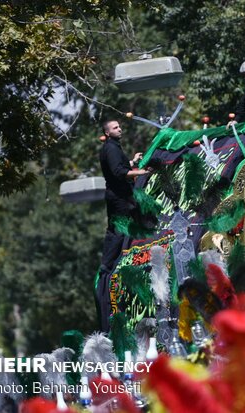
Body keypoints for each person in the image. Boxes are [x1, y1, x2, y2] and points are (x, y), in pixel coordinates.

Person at [97, 119, 150, 332]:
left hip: (120, 195)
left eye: (119, 126)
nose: (120, 129)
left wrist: (132, 162)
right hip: (118, 197)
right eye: (115, 128)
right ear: (108, 133)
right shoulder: (110, 148)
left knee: (124, 227)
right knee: (118, 230)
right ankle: (107, 265)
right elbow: (118, 174)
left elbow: (118, 167)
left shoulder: (113, 148)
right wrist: (140, 172)